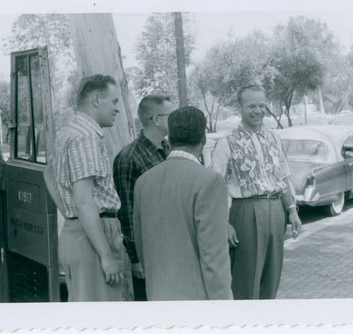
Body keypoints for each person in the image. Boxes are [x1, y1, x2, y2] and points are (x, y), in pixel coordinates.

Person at [44, 74, 132, 301]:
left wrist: (69, 213)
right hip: (94, 237)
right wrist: (106, 255)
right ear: (95, 100)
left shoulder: (68, 131)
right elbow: (84, 201)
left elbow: (48, 174)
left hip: (78, 232)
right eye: (114, 102)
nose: (117, 109)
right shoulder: (86, 137)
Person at [211, 84, 302, 300]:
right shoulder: (227, 143)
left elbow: (282, 177)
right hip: (245, 212)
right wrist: (224, 223)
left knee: (271, 277)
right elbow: (217, 187)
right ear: (240, 107)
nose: (258, 111)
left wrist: (292, 210)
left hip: (276, 210)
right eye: (252, 106)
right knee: (246, 278)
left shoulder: (274, 139)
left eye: (262, 105)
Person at [133, 106, 233, 301]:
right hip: (197, 301)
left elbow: (141, 244)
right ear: (203, 139)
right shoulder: (210, 181)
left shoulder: (144, 181)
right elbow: (214, 257)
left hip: (157, 296)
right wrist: (223, 305)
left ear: (170, 139)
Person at [112, 95, 173, 301]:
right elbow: (127, 212)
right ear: (156, 119)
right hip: (147, 249)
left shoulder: (169, 150)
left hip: (172, 243)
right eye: (170, 115)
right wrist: (136, 258)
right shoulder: (128, 158)